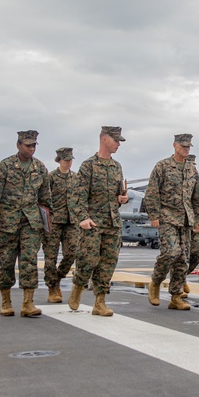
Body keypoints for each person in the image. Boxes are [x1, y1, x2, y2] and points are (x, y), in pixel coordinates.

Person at [0, 130, 51, 317]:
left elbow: (45, 198)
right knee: (6, 260)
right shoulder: (5, 166)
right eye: (27, 145)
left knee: (29, 260)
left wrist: (47, 222)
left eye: (33, 145)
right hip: (7, 221)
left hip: (31, 222)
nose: (31, 149)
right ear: (18, 145)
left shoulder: (39, 167)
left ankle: (28, 303)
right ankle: (6, 301)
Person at [69, 127, 129, 316]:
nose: (119, 144)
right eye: (116, 140)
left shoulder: (116, 166)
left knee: (108, 263)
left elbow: (118, 194)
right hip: (93, 223)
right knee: (89, 260)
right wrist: (83, 218)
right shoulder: (88, 166)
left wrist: (122, 199)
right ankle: (78, 285)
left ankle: (100, 302)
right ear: (104, 140)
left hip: (112, 223)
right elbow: (77, 196)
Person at [144, 133, 199, 311]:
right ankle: (155, 281)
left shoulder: (191, 169)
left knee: (183, 259)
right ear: (174, 145)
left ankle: (176, 297)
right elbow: (152, 192)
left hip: (186, 220)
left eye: (188, 147)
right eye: (183, 146)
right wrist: (154, 215)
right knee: (171, 252)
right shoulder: (162, 166)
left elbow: (197, 198)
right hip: (167, 217)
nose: (186, 149)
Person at [44, 147, 79, 303]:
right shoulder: (50, 177)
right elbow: (43, 199)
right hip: (54, 222)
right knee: (50, 257)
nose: (69, 163)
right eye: (66, 160)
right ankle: (52, 288)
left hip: (71, 221)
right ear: (59, 160)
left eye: (70, 160)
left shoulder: (76, 178)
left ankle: (57, 277)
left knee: (72, 253)